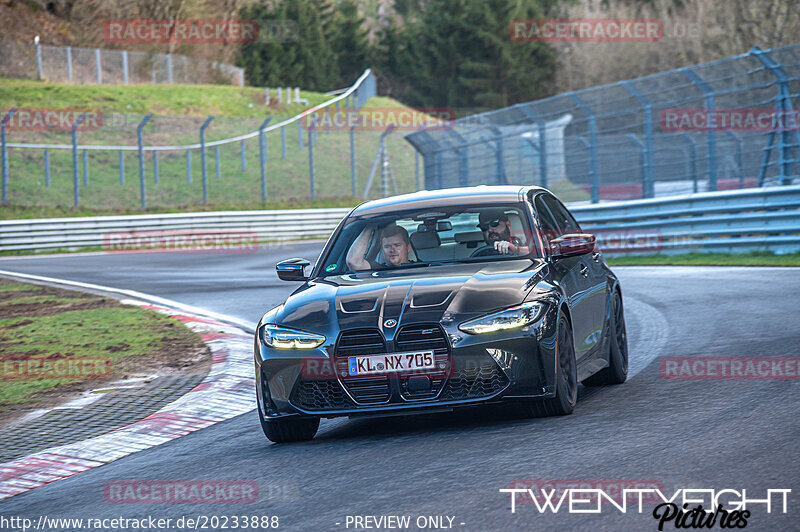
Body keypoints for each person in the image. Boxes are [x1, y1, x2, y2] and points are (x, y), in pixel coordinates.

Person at [346, 224, 415, 271]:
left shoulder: (423, 267)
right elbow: (353, 262)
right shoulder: (376, 270)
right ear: (382, 249)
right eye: (387, 246)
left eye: (397, 245)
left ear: (408, 247)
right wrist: (370, 226)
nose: (392, 250)